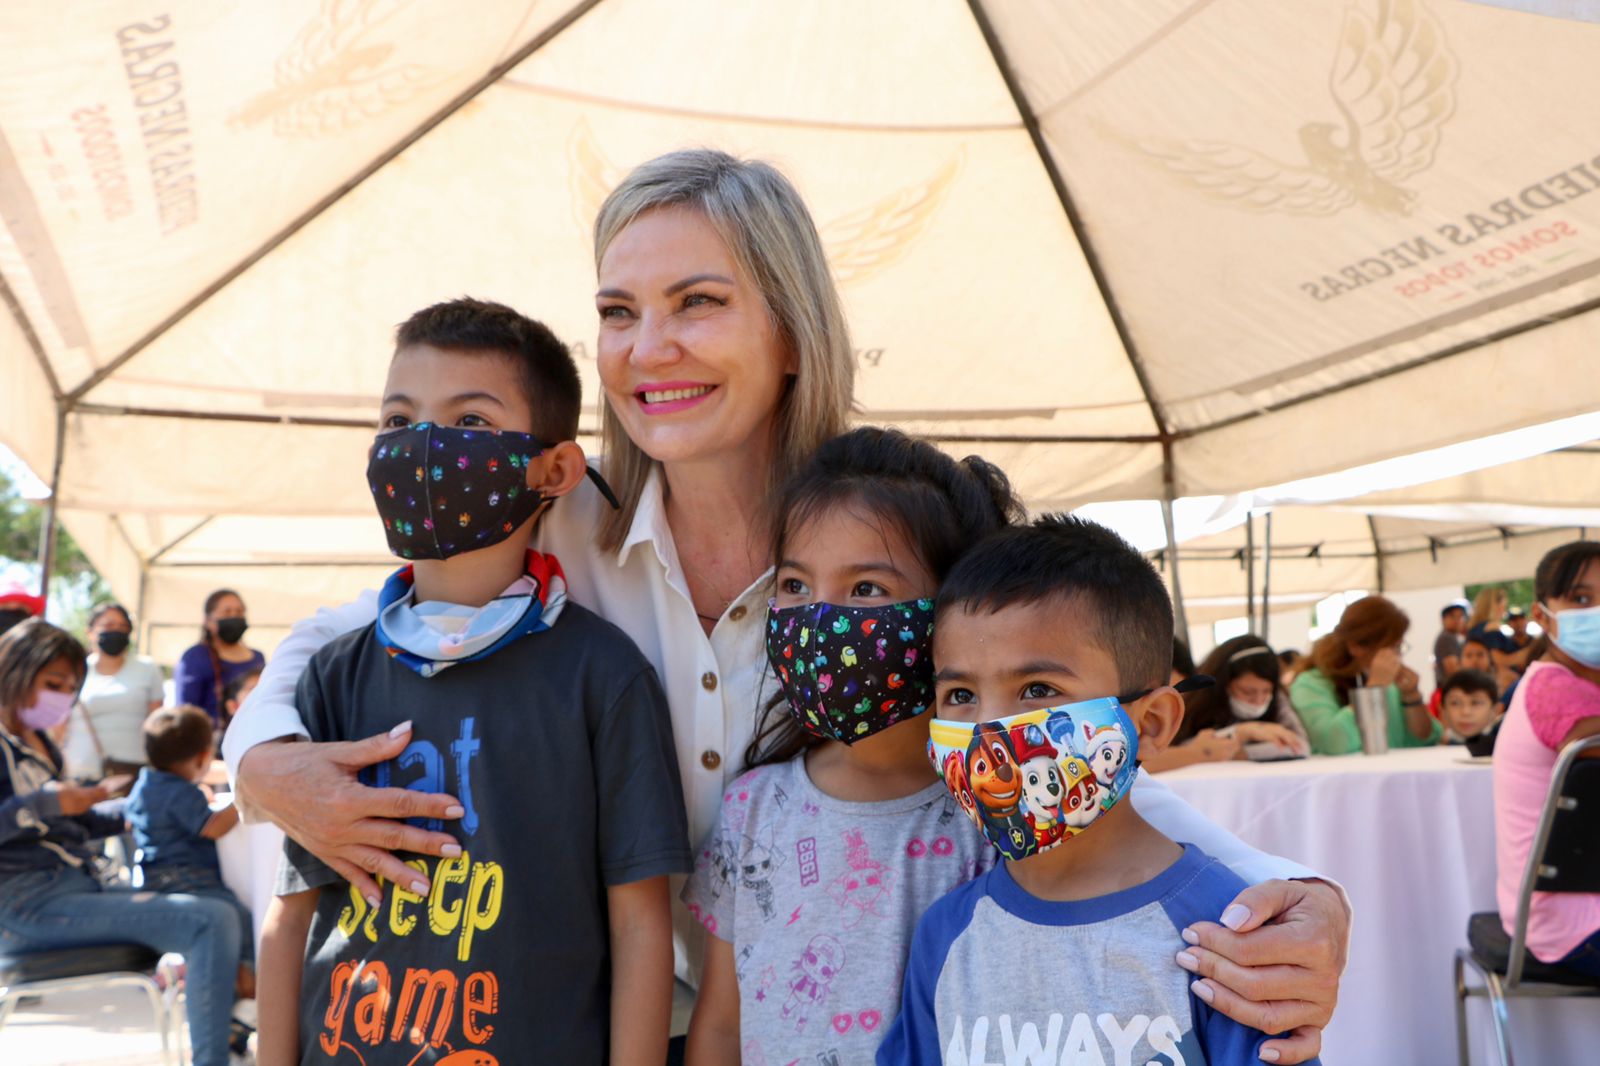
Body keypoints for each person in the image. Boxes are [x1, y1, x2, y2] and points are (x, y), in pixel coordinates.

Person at [224, 150, 1347, 1064]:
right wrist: (262, 761)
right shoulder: (560, 520)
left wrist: (1287, 895)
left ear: (790, 327)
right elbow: (343, 629)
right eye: (618, 310)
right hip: (578, 1026)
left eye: (697, 303)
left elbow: (1062, 732)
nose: (648, 346)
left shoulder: (900, 543)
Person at [255, 298, 689, 1066]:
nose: (422, 447)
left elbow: (641, 926)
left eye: (472, 423)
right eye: (397, 421)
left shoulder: (604, 677)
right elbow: (288, 920)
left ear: (555, 469)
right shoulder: (331, 676)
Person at [878, 517, 1316, 1065]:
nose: (986, 731)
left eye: (1036, 690)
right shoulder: (946, 936)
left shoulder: (1225, 939)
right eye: (960, 694)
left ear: (1151, 723)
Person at [681, 427, 1020, 1063]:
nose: (821, 621)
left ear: (952, 609)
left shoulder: (997, 809)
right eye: (795, 586)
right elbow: (723, 1024)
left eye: (867, 589)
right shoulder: (754, 809)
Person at [0, 619, 244, 1066]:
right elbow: (35, 814)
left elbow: (80, 823)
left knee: (219, 911)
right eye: (53, 684)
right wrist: (45, 804)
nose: (62, 699)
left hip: (76, 891)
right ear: (15, 671)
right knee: (210, 919)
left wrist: (129, 809)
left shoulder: (37, 745)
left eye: (70, 688)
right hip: (25, 907)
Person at [1494, 540, 1600, 977]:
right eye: (1581, 598)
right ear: (1541, 615)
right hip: (1575, 924)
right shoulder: (1559, 689)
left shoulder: (1558, 683)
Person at [125, 705, 255, 999]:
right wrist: (245, 796)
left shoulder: (144, 783)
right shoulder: (181, 792)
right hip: (190, 878)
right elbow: (214, 827)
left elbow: (132, 821)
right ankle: (248, 989)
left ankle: (185, 971)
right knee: (241, 922)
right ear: (202, 757)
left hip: (154, 877)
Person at [1289, 596, 1441, 755]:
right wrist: (1373, 688)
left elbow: (1426, 739)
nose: (1396, 656)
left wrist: (1412, 697)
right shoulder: (1310, 684)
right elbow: (1334, 743)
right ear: (1355, 647)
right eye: (1391, 646)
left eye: (1399, 646)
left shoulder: (1391, 686)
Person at [1146, 636, 1310, 772]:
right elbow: (1176, 748)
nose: (1259, 700)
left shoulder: (1277, 699)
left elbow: (1299, 746)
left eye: (1267, 691)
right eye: (1247, 692)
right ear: (1223, 685)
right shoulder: (1196, 702)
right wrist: (1239, 734)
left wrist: (1233, 751)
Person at [64, 603, 165, 776]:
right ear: (90, 632)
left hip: (133, 771)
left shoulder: (147, 669)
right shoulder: (75, 671)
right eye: (109, 625)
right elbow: (60, 724)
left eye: (123, 627)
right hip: (81, 772)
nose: (116, 631)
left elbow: (157, 723)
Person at [174, 589, 265, 726]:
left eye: (239, 612)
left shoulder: (258, 657)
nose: (234, 617)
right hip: (210, 742)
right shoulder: (195, 657)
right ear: (209, 621)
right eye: (227, 612)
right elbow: (185, 711)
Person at [1438, 670, 1501, 746]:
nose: (1465, 712)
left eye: (1476, 703)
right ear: (1443, 710)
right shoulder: (1434, 749)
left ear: (1495, 710)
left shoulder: (1504, 745)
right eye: (1455, 703)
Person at [1433, 599, 1469, 690]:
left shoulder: (1454, 637)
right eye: (1453, 616)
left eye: (1460, 616)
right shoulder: (1447, 638)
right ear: (1443, 619)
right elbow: (1453, 670)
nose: (1458, 620)